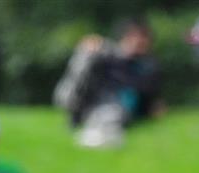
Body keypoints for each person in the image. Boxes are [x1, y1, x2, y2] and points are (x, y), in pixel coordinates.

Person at [53, 18, 162, 149]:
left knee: (113, 113)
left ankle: (100, 132)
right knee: (86, 55)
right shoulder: (106, 54)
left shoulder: (148, 65)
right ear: (125, 37)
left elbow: (149, 94)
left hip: (119, 109)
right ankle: (93, 129)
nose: (140, 41)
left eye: (144, 38)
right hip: (95, 103)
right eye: (136, 37)